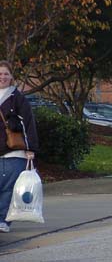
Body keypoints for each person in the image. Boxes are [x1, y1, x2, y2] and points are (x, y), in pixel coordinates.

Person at [0, 60, 39, 233]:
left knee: (8, 189)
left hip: (14, 152)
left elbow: (29, 123)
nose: (2, 77)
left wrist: (31, 148)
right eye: (0, 74)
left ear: (11, 76)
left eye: (6, 74)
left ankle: (3, 221)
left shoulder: (18, 98)